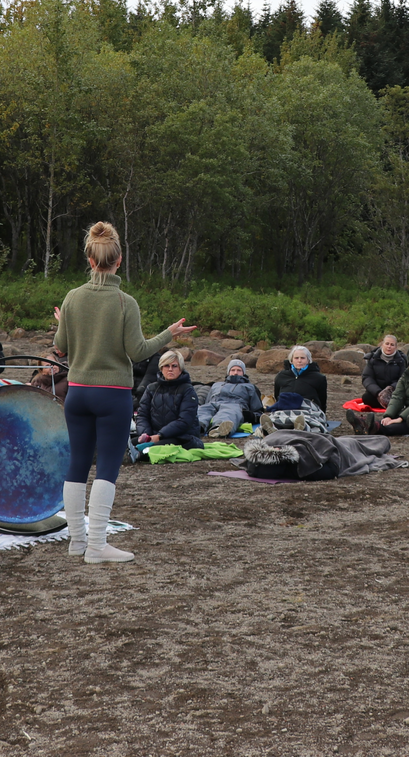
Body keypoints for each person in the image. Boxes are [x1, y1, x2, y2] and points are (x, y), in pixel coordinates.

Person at [55, 221, 196, 563]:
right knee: (106, 468)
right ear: (119, 261)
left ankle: (76, 542)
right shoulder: (125, 302)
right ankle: (96, 546)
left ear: (90, 260)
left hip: (77, 393)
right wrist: (169, 334)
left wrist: (64, 322)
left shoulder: (72, 297)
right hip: (111, 395)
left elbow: (61, 347)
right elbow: (137, 351)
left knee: (76, 465)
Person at [136, 351, 202, 448]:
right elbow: (142, 415)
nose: (170, 369)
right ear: (161, 368)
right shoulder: (151, 388)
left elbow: (184, 421)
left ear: (180, 369)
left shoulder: (188, 390)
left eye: (174, 366)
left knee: (153, 448)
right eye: (166, 366)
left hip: (183, 437)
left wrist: (160, 435)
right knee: (129, 443)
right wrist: (146, 435)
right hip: (155, 435)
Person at [198, 357, 263, 439]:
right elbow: (207, 402)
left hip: (234, 405)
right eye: (233, 370)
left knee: (228, 413)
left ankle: (219, 429)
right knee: (202, 410)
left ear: (243, 373)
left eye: (239, 370)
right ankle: (197, 426)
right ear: (229, 372)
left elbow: (258, 410)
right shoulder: (216, 385)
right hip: (213, 403)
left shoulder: (250, 387)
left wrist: (250, 416)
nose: (235, 373)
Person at [272, 345, 328, 413]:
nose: (299, 361)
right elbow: (277, 396)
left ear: (308, 360)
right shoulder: (281, 376)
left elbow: (322, 401)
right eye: (296, 358)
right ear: (291, 360)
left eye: (302, 358)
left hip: (309, 411)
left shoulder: (319, 378)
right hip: (285, 410)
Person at [359, 335, 407, 410]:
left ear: (396, 347)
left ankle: (390, 405)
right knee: (366, 398)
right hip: (377, 392)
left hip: (394, 392)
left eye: (392, 345)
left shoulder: (401, 361)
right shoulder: (373, 359)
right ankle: (388, 405)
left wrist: (390, 389)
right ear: (382, 345)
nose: (389, 346)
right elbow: (367, 377)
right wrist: (378, 393)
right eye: (387, 344)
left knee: (403, 399)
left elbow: (404, 378)